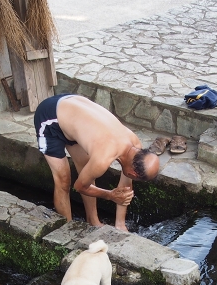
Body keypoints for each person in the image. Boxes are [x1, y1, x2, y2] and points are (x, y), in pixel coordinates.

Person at [34, 94, 160, 231]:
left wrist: (120, 225)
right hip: (51, 117)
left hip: (74, 115)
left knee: (86, 170)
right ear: (133, 173)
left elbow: (125, 190)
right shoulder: (103, 158)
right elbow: (80, 186)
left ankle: (93, 221)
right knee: (63, 180)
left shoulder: (136, 148)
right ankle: (66, 232)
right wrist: (110, 195)